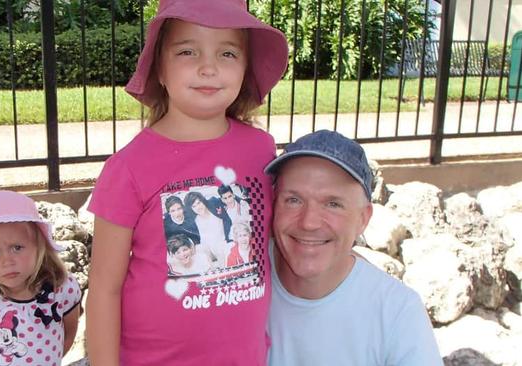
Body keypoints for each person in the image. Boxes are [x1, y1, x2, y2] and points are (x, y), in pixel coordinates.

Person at [85, 0, 288, 364]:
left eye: (227, 53)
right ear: (159, 68)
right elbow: (104, 287)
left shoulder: (261, 150)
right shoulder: (129, 166)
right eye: (187, 51)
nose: (208, 67)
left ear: (245, 67)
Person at [264, 130, 443, 365]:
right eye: (293, 200)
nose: (309, 222)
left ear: (363, 218)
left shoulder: (396, 311)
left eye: (333, 204)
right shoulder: (238, 279)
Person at [0, 190, 82, 366]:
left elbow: (68, 335)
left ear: (39, 246)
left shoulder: (62, 288)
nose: (7, 261)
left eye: (17, 247)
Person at [184, 190, 232, 266]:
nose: (198, 207)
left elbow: (230, 198)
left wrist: (241, 201)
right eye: (194, 206)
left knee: (221, 251)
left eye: (198, 203)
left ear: (203, 201)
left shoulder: (213, 203)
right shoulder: (193, 219)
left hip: (222, 244)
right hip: (207, 248)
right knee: (199, 250)